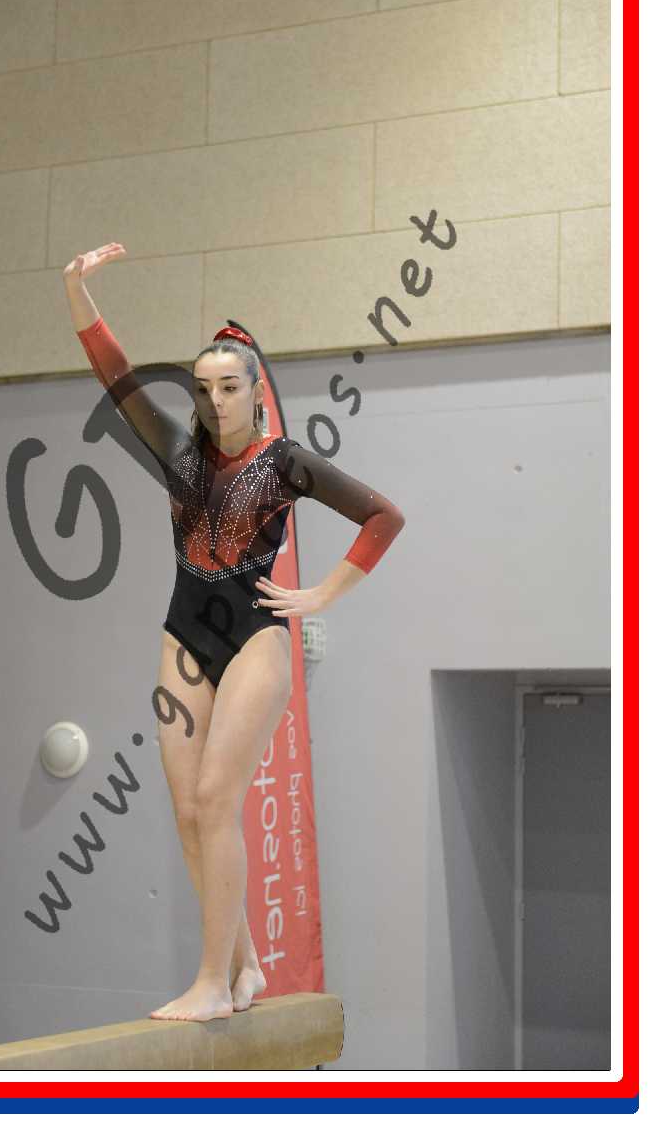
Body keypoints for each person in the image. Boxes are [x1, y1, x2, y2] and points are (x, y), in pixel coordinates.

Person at [64, 242, 405, 1022]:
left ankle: (213, 983)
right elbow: (115, 375)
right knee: (190, 810)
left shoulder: (283, 462)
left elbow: (382, 517)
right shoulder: (177, 454)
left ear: (255, 393)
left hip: (254, 636)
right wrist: (75, 289)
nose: (216, 400)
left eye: (229, 386)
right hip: (184, 635)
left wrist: (322, 593)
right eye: (204, 388)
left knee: (218, 797)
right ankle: (246, 966)